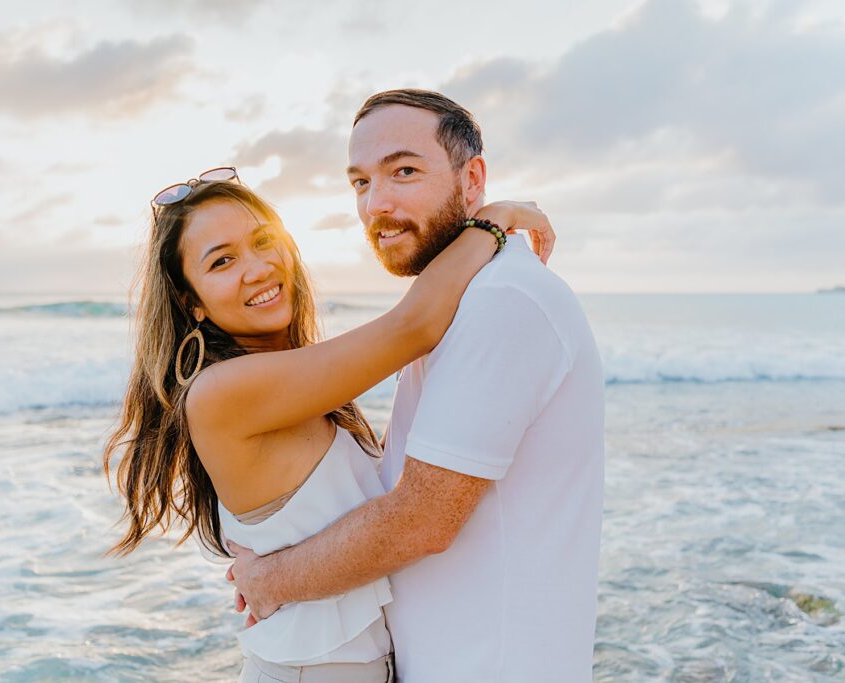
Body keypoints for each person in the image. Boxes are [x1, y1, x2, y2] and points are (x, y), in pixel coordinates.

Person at [103, 167, 554, 681]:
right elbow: (417, 325)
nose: (258, 268)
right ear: (193, 303)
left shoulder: (293, 380)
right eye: (223, 261)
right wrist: (496, 221)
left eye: (263, 241)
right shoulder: (220, 392)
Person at [227, 90, 605, 682]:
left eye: (404, 171)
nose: (377, 203)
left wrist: (269, 580)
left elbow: (422, 518)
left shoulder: (501, 301)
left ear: (471, 177)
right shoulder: (458, 302)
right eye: (359, 182)